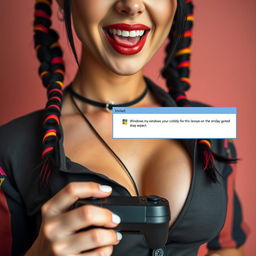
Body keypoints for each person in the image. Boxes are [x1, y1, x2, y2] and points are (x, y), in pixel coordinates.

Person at [0, 0, 250, 255]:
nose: (131, 5)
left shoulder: (209, 126)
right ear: (65, 5)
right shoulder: (9, 150)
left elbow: (228, 247)